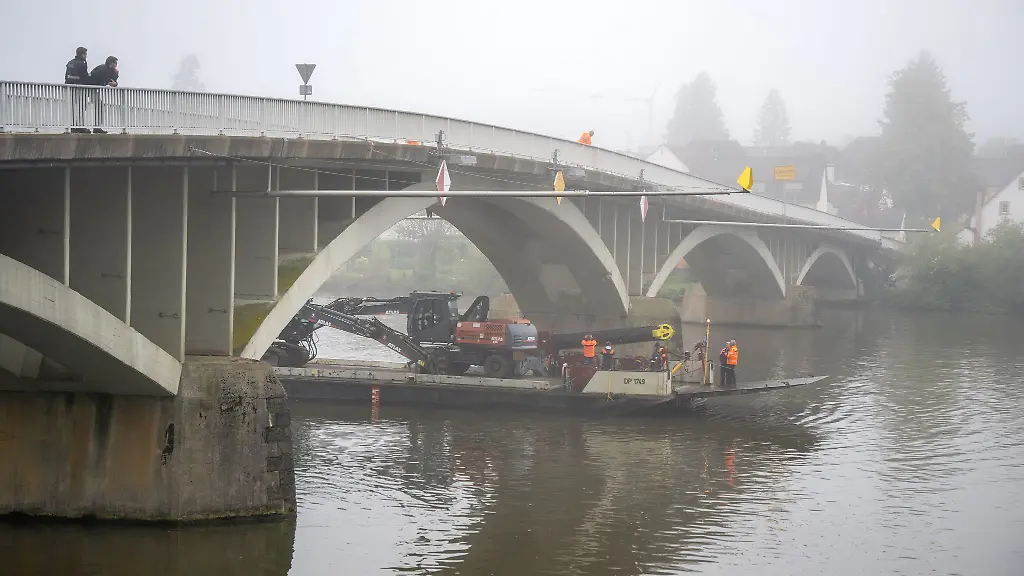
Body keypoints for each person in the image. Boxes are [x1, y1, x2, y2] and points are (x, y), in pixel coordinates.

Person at [89, 56, 119, 134]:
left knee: (99, 106)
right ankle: (96, 127)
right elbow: (105, 80)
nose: (116, 65)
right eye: (115, 63)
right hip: (90, 88)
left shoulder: (108, 70)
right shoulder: (103, 69)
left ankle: (97, 126)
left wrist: (116, 76)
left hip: (93, 89)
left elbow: (112, 81)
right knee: (98, 106)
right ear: (111, 63)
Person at [64, 47, 90, 133]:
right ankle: (80, 126)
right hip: (80, 88)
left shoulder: (70, 63)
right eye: (85, 54)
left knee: (71, 107)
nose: (86, 56)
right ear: (82, 54)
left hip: (69, 88)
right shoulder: (82, 63)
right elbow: (84, 77)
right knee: (81, 107)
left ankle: (72, 126)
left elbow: (67, 76)